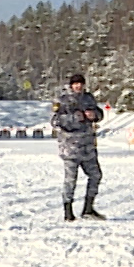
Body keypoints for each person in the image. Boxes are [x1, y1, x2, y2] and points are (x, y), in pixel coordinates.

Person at [53, 73, 104, 221]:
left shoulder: (88, 98)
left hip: (88, 147)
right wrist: (74, 118)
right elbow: (55, 121)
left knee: (95, 175)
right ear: (71, 85)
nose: (78, 86)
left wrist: (95, 115)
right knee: (71, 180)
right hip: (70, 148)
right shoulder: (62, 100)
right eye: (75, 84)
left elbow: (100, 114)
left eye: (81, 84)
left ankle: (88, 209)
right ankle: (68, 211)